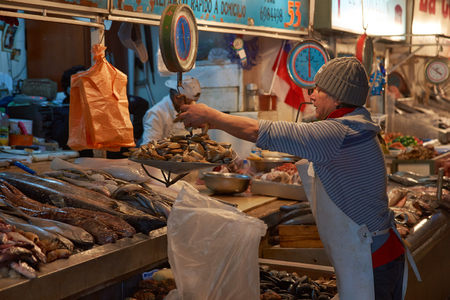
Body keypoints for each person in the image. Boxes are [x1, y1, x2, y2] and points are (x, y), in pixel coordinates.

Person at [176, 57, 420, 300]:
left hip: (371, 261)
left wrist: (209, 114)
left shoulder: (337, 132)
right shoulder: (358, 124)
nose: (312, 96)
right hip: (376, 253)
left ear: (337, 96)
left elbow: (257, 131)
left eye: (318, 90)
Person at [53, 65, 149, 157]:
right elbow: (61, 140)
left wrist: (135, 136)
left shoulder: (105, 100)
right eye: (80, 82)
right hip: (86, 158)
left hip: (117, 156)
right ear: (69, 89)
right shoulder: (61, 111)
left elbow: (141, 104)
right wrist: (79, 105)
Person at [140, 76, 201, 145]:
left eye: (193, 102)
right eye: (189, 102)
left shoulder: (193, 107)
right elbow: (149, 145)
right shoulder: (156, 113)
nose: (192, 105)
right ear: (176, 98)